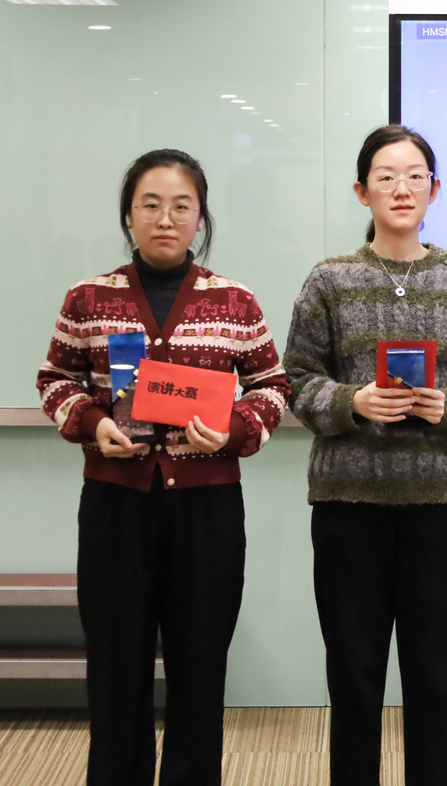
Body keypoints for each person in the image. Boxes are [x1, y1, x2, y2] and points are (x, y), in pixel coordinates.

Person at [35, 149, 289, 786]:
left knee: (199, 667)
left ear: (201, 217)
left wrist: (232, 431)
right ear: (129, 215)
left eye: (181, 206)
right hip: (115, 506)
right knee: (115, 668)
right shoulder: (89, 298)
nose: (166, 218)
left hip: (206, 509)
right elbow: (55, 378)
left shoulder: (234, 300)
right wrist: (93, 423)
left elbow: (272, 386)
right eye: (150, 204)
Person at [284, 125, 447, 786]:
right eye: (385, 176)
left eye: (415, 176)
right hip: (348, 506)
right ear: (362, 192)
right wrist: (352, 401)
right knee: (353, 674)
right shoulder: (329, 279)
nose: (401, 188)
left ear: (434, 189)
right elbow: (295, 378)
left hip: (440, 506)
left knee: (433, 676)